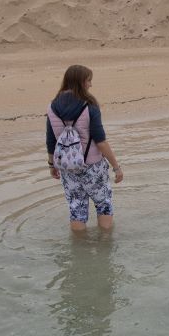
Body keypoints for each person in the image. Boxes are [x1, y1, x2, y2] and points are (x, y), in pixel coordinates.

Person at [45, 65, 124, 233]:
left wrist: (52, 165)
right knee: (103, 204)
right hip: (93, 166)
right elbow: (100, 141)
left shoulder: (52, 107)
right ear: (80, 82)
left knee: (77, 209)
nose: (90, 85)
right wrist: (116, 167)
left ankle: (79, 251)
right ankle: (105, 247)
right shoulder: (89, 106)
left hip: (68, 169)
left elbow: (51, 140)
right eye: (88, 80)